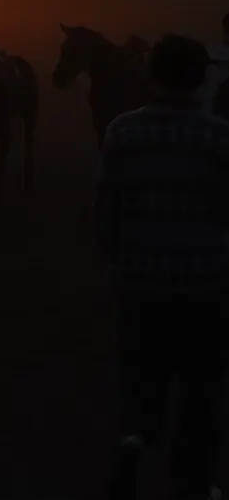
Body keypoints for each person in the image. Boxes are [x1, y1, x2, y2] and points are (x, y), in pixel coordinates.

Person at [94, 35, 229, 500]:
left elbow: (106, 216)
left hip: (140, 282)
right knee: (200, 388)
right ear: (202, 77)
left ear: (150, 75)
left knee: (140, 380)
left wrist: (122, 265)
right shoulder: (219, 136)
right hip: (204, 286)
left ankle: (131, 451)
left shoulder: (121, 131)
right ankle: (196, 481)